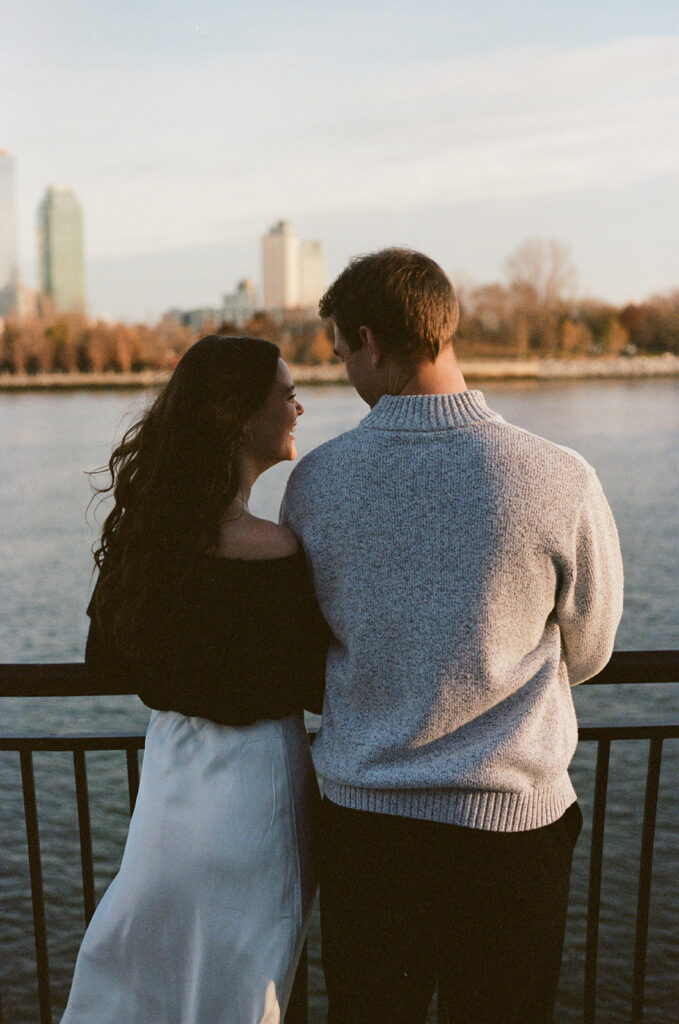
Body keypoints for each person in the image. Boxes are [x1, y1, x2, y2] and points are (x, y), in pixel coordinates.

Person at [280, 249, 624, 1024]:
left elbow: (306, 645)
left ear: (368, 339)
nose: (343, 372)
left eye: (339, 353)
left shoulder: (318, 482)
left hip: (368, 829)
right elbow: (592, 643)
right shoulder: (557, 474)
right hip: (511, 830)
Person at [61, 336, 330, 1024]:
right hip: (256, 788)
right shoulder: (275, 550)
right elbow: (313, 681)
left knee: (148, 963)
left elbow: (106, 659)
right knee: (246, 980)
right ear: (239, 416)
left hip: (173, 780)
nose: (299, 407)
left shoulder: (149, 537)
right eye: (285, 393)